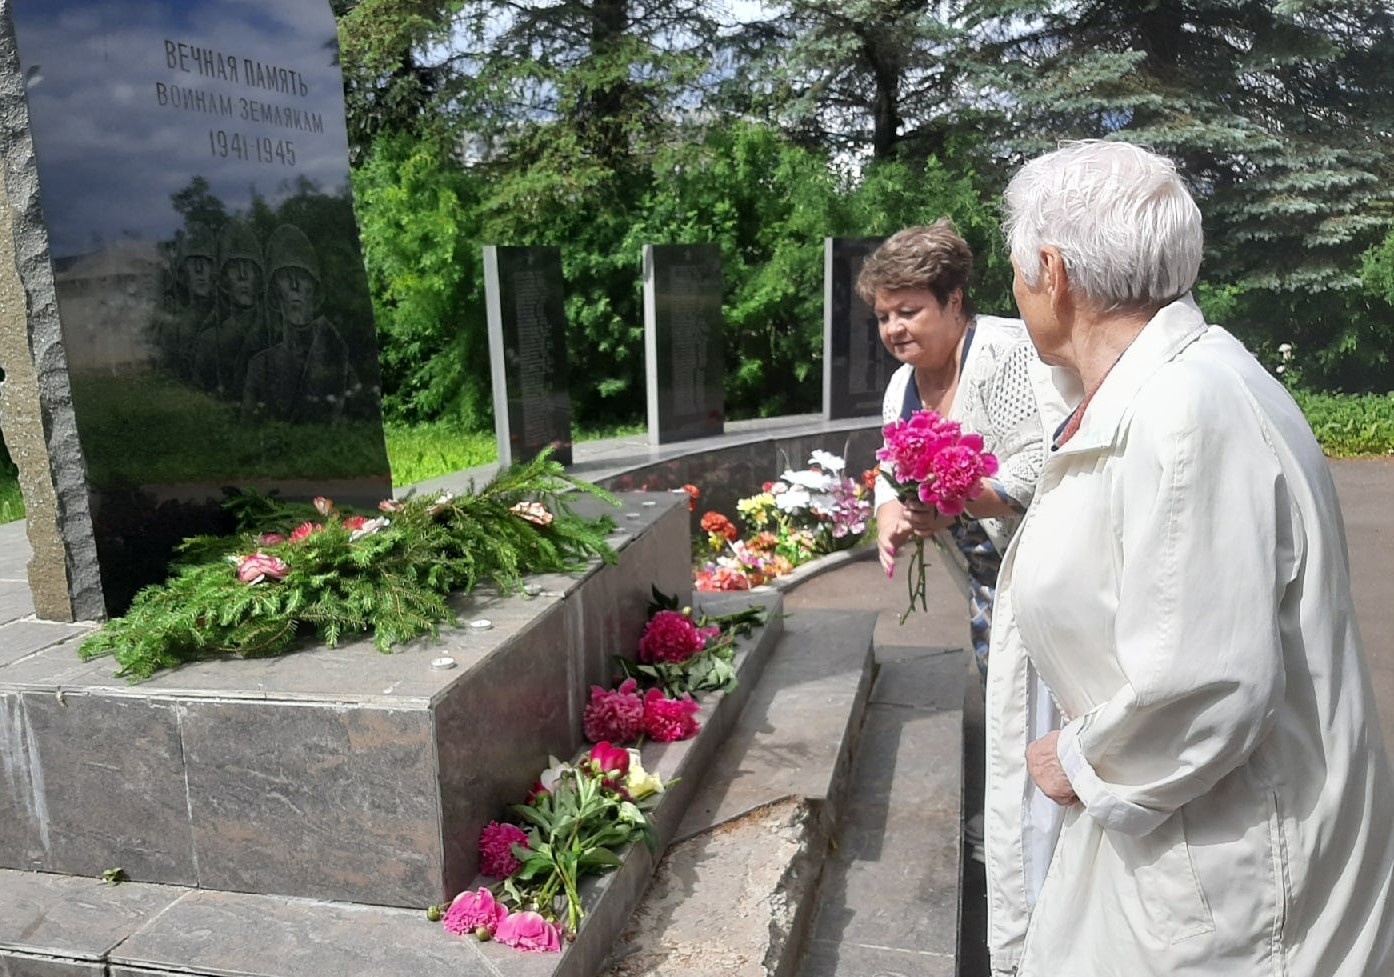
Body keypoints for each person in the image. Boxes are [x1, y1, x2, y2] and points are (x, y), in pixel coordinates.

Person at [986, 139, 1394, 976]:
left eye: (1018, 269)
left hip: (1223, 879)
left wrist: (1073, 757)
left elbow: (1205, 681)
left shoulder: (1186, 409)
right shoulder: (1151, 392)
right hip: (1171, 854)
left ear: (1053, 273)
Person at [858, 220, 1070, 678]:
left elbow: (1040, 465)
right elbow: (891, 465)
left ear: (953, 300)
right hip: (985, 583)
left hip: (1048, 580)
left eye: (908, 312)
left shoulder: (1004, 353)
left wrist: (957, 508)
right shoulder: (901, 385)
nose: (894, 329)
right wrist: (889, 516)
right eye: (883, 317)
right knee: (1000, 701)